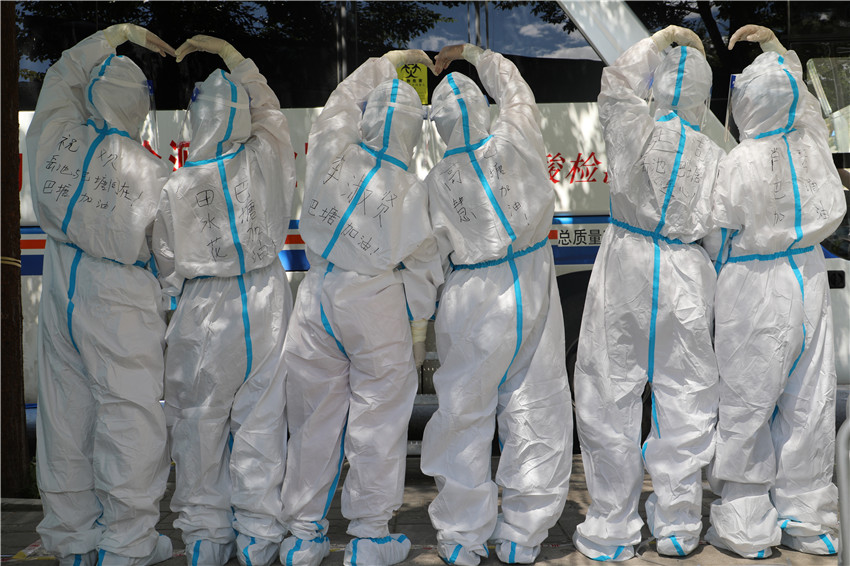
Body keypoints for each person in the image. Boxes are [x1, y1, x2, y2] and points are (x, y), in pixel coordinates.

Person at [278, 49, 442, 566]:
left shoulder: (332, 149)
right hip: (375, 304)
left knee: (313, 421)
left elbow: (340, 100)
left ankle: (301, 536)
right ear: (414, 133)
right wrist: (419, 333)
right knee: (379, 420)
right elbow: (423, 269)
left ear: (368, 122)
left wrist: (385, 62)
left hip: (317, 296)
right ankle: (370, 537)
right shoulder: (411, 191)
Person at [571, 26, 726, 561]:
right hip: (686, 272)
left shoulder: (632, 125)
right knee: (685, 397)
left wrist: (659, 42)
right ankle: (678, 526)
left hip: (626, 267)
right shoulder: (714, 154)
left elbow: (616, 82)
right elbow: (720, 235)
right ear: (704, 97)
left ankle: (611, 526)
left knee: (610, 395)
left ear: (657, 88)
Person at [26, 24, 175, 566]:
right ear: (138, 108)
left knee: (65, 415)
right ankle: (128, 544)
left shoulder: (54, 135)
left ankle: (74, 542)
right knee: (129, 413)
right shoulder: (153, 173)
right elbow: (171, 256)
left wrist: (114, 35)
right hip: (120, 292)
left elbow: (60, 76)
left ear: (92, 95)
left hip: (61, 280)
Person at [419, 43, 573, 566]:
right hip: (532, 282)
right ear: (482, 109)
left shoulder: (435, 182)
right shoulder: (515, 135)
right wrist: (474, 54)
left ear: (439, 126)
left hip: (470, 295)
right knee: (536, 404)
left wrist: (419, 314)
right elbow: (515, 89)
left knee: (464, 411)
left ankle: (462, 535)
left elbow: (427, 258)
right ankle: (522, 535)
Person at [150, 35, 296, 566]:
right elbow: (270, 110)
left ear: (197, 120)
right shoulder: (266, 157)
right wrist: (232, 57)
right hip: (265, 295)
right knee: (262, 417)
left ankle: (206, 538)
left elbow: (166, 264)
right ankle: (258, 535)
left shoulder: (178, 185)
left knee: (198, 421)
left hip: (203, 305)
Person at [702, 24, 846, 559]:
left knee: (747, 402)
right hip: (808, 275)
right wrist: (778, 50)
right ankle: (807, 520)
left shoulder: (738, 161)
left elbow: (716, 234)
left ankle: (745, 521)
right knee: (809, 400)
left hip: (752, 281)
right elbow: (805, 107)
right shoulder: (812, 147)